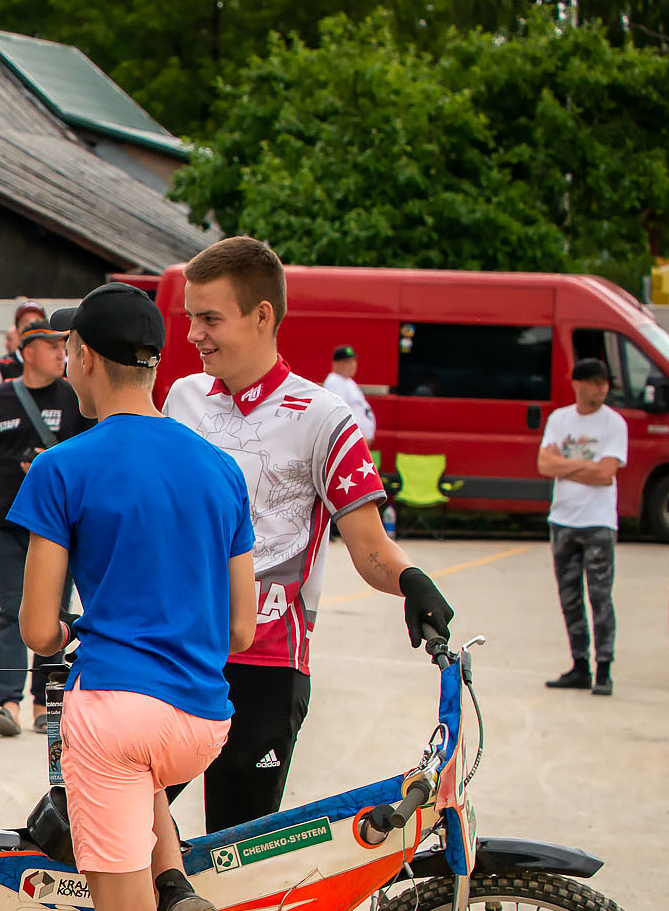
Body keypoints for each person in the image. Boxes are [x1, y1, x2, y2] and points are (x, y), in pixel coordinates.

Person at [7, 282, 256, 911]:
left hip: (114, 712)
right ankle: (174, 876)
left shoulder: (62, 467)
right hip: (203, 720)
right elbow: (239, 627)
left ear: (82, 358)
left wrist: (91, 627)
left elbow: (36, 629)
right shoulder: (217, 467)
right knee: (140, 764)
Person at [162, 237, 452, 831]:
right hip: (173, 654)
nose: (194, 334)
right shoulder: (181, 399)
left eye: (210, 318)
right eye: (191, 318)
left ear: (262, 315)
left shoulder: (324, 417)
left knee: (233, 854)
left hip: (266, 667)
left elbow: (369, 547)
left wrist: (411, 581)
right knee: (114, 834)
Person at [0, 319, 89, 737]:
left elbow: (90, 460)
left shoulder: (76, 399)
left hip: (60, 529)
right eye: (53, 347)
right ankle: (8, 704)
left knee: (54, 615)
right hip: (8, 525)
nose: (62, 354)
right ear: (27, 350)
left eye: (64, 347)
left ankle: (45, 703)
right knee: (11, 613)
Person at [538, 355, 624, 696]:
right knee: (570, 597)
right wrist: (583, 465)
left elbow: (606, 473)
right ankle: (580, 665)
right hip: (563, 520)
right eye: (596, 383)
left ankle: (604, 667)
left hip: (598, 522)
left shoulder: (613, 423)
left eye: (605, 384)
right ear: (578, 384)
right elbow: (544, 465)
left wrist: (565, 464)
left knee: (600, 595)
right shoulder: (560, 419)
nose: (602, 390)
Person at [0, 300, 46, 393]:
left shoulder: (60, 364)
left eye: (37, 322)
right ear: (16, 330)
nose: (31, 328)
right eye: (26, 323)